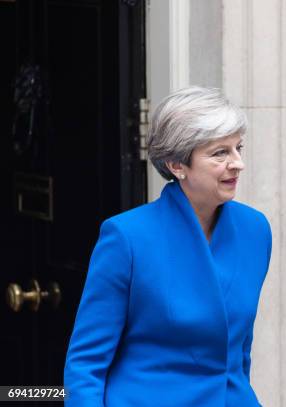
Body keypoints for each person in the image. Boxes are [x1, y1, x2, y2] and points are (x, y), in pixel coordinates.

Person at [64, 87, 272, 406]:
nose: (238, 163)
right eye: (220, 153)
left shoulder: (254, 230)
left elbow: (240, 349)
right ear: (177, 164)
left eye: (238, 148)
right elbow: (86, 364)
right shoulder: (127, 237)